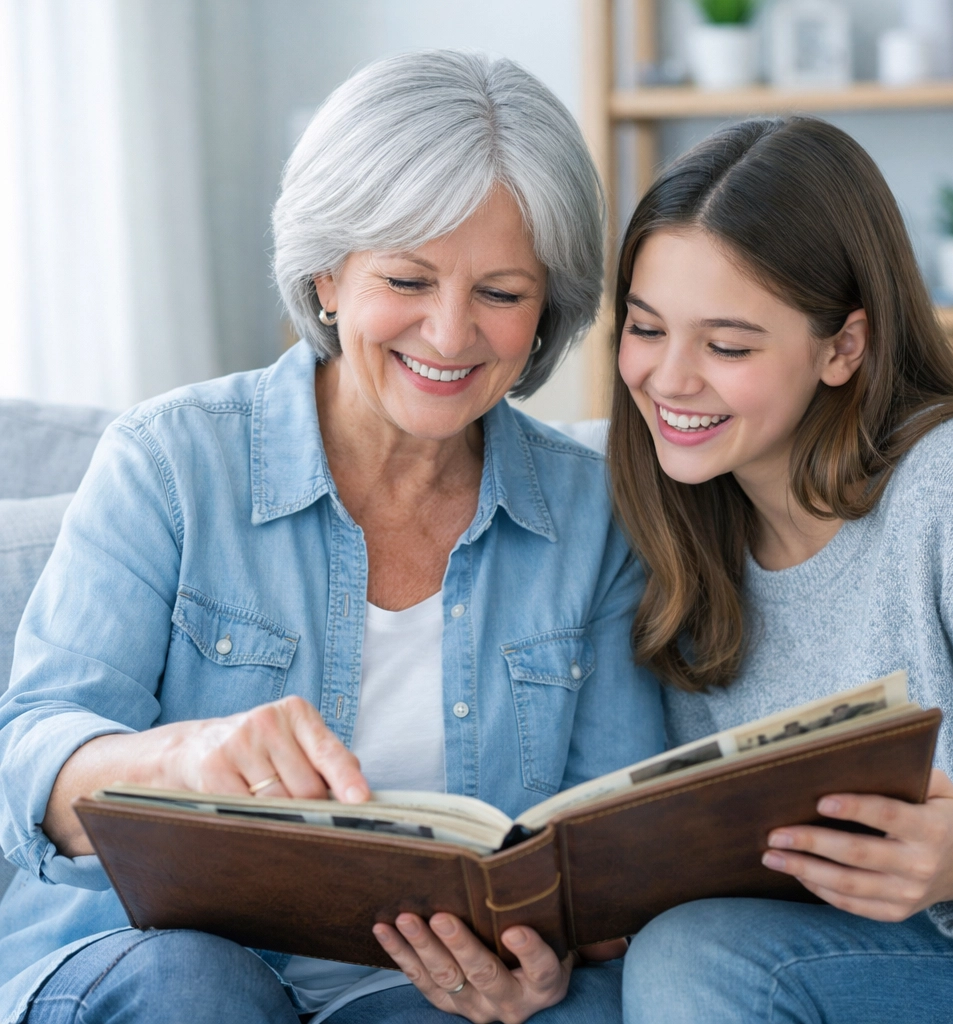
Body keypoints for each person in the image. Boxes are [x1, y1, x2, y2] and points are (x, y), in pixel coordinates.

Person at [0, 51, 665, 1024]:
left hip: (415, 997)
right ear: (327, 273)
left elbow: (607, 856)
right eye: (407, 277)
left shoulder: (594, 513)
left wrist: (549, 958)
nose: (449, 333)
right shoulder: (172, 460)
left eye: (500, 292)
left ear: (545, 310)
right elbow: (32, 758)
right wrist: (180, 763)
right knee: (200, 991)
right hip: (149, 962)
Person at [607, 117, 953, 1022]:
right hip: (840, 955)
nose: (669, 380)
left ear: (844, 347)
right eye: (645, 328)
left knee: (696, 960)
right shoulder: (687, 529)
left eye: (727, 346)